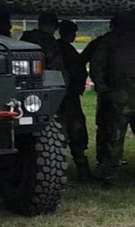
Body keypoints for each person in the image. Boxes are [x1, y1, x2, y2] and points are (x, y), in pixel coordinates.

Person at [90, 12, 135, 186]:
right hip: (121, 94)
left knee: (115, 136)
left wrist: (102, 88)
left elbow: (96, 65)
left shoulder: (110, 40)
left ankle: (111, 175)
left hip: (118, 96)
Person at [57, 20, 91, 180]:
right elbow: (78, 71)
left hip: (61, 96)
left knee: (65, 132)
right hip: (68, 97)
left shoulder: (57, 47)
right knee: (75, 132)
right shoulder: (67, 50)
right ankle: (82, 171)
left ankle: (60, 172)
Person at [81, 18, 116, 167]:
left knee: (106, 126)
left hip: (109, 90)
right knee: (106, 125)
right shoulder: (106, 41)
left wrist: (100, 85)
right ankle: (105, 159)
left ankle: (105, 159)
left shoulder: (105, 41)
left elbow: (87, 60)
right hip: (111, 89)